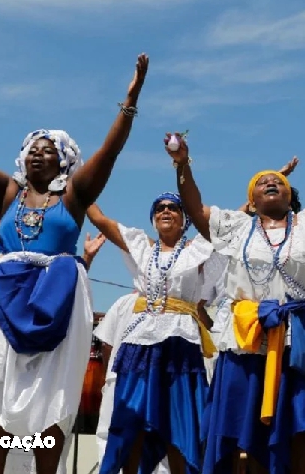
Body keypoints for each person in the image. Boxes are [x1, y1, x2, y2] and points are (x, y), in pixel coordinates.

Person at [0, 53, 148, 474]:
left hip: (55, 303)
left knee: (50, 400)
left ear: (64, 161)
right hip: (2, 300)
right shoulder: (7, 194)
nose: (37, 155)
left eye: (48, 152)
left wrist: (130, 101)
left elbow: (110, 151)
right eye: (32, 150)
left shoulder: (73, 197)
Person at [171, 133, 305, 474]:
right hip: (249, 335)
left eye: (279, 182)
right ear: (251, 202)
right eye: (261, 183)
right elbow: (195, 208)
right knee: (250, 422)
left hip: (304, 335)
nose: (271, 182)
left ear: (290, 196)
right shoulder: (236, 227)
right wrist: (182, 165)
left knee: (299, 422)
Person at [87, 194, 215, 474]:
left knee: (180, 423)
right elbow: (98, 218)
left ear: (185, 219)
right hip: (141, 343)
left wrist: (252, 201)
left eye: (173, 207)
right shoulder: (141, 247)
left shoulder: (198, 249)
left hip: (182, 343)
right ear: (153, 218)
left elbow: (228, 226)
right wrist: (70, 177)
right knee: (132, 417)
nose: (166, 211)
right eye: (159, 208)